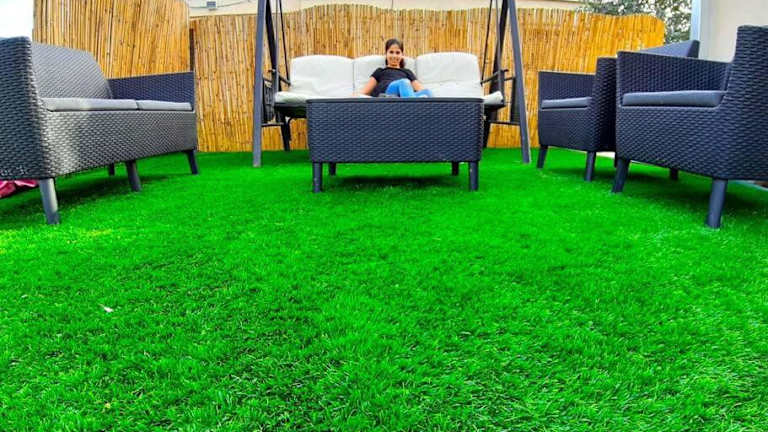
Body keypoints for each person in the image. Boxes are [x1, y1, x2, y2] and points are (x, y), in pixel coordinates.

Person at [358, 38, 433, 98]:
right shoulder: (380, 71)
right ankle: (412, 104)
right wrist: (354, 97)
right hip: (386, 95)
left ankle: (409, 100)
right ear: (386, 54)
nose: (394, 56)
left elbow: (421, 89)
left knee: (427, 92)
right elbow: (364, 91)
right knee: (403, 82)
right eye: (391, 52)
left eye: (397, 53)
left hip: (403, 95)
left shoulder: (407, 72)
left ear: (402, 55)